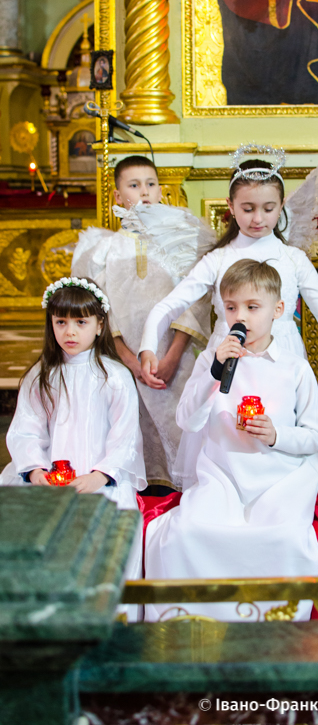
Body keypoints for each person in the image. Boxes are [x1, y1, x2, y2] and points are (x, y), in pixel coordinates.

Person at [144, 259, 318, 621]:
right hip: (223, 475)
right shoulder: (212, 361)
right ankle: (196, 624)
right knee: (187, 533)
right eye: (231, 307)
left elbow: (315, 436)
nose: (239, 317)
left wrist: (276, 434)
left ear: (278, 310)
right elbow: (187, 419)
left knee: (284, 538)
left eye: (252, 307)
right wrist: (214, 372)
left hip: (279, 480)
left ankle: (272, 625)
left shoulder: (294, 368)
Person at [139, 147, 318, 400]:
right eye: (248, 209)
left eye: (268, 209)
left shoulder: (294, 260)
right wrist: (148, 347)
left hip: (282, 358)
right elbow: (170, 305)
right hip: (229, 357)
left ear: (281, 206)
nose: (258, 218)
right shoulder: (217, 260)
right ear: (231, 206)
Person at [72, 156, 214, 490]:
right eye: (134, 185)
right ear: (118, 196)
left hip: (175, 358)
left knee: (181, 429)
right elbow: (99, 311)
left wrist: (173, 355)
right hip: (124, 362)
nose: (144, 192)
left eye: (151, 184)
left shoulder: (181, 244)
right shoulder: (104, 250)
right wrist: (128, 360)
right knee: (131, 431)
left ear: (161, 191)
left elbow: (196, 301)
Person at [0, 277, 147, 510]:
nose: (70, 332)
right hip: (49, 475)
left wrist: (100, 476)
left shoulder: (115, 376)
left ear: (99, 325)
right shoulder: (41, 374)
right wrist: (35, 470)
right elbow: (26, 429)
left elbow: (125, 436)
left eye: (81, 322)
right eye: (61, 322)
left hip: (99, 477)